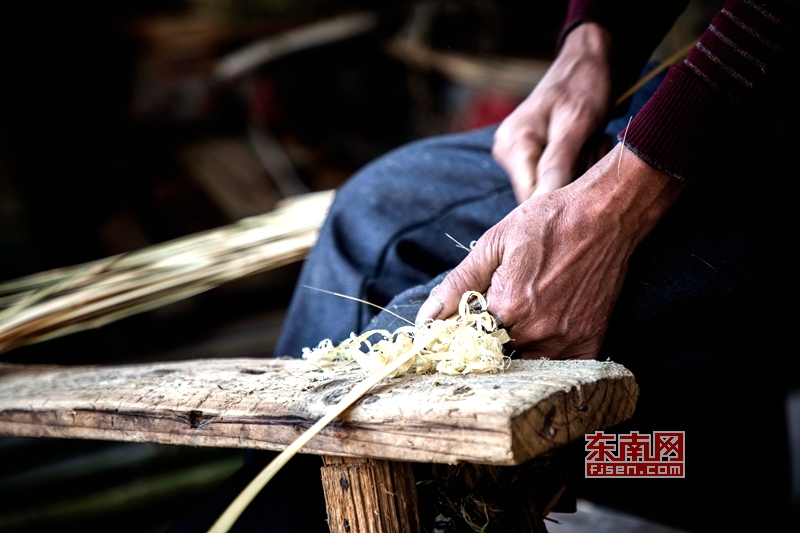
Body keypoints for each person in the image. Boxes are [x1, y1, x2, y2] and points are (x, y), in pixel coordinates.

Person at [172, 1, 798, 531]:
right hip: (724, 96)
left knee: (428, 332)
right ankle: (271, 495)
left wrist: (618, 202)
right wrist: (592, 40)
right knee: (374, 207)